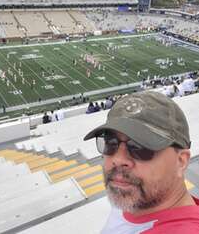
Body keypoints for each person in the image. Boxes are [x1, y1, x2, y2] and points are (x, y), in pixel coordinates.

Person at [84, 91, 199, 233]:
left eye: (140, 147)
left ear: (181, 161)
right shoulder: (135, 200)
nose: (118, 160)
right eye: (110, 142)